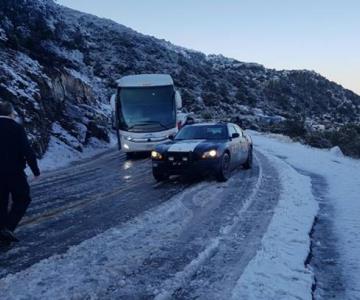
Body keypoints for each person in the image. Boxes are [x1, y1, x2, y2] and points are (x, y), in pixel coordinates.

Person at [0, 101, 40, 246]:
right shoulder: (16, 128)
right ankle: (7, 228)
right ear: (11, 113)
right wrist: (35, 170)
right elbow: (27, 151)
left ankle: (3, 233)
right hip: (14, 172)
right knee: (22, 199)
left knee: (2, 202)